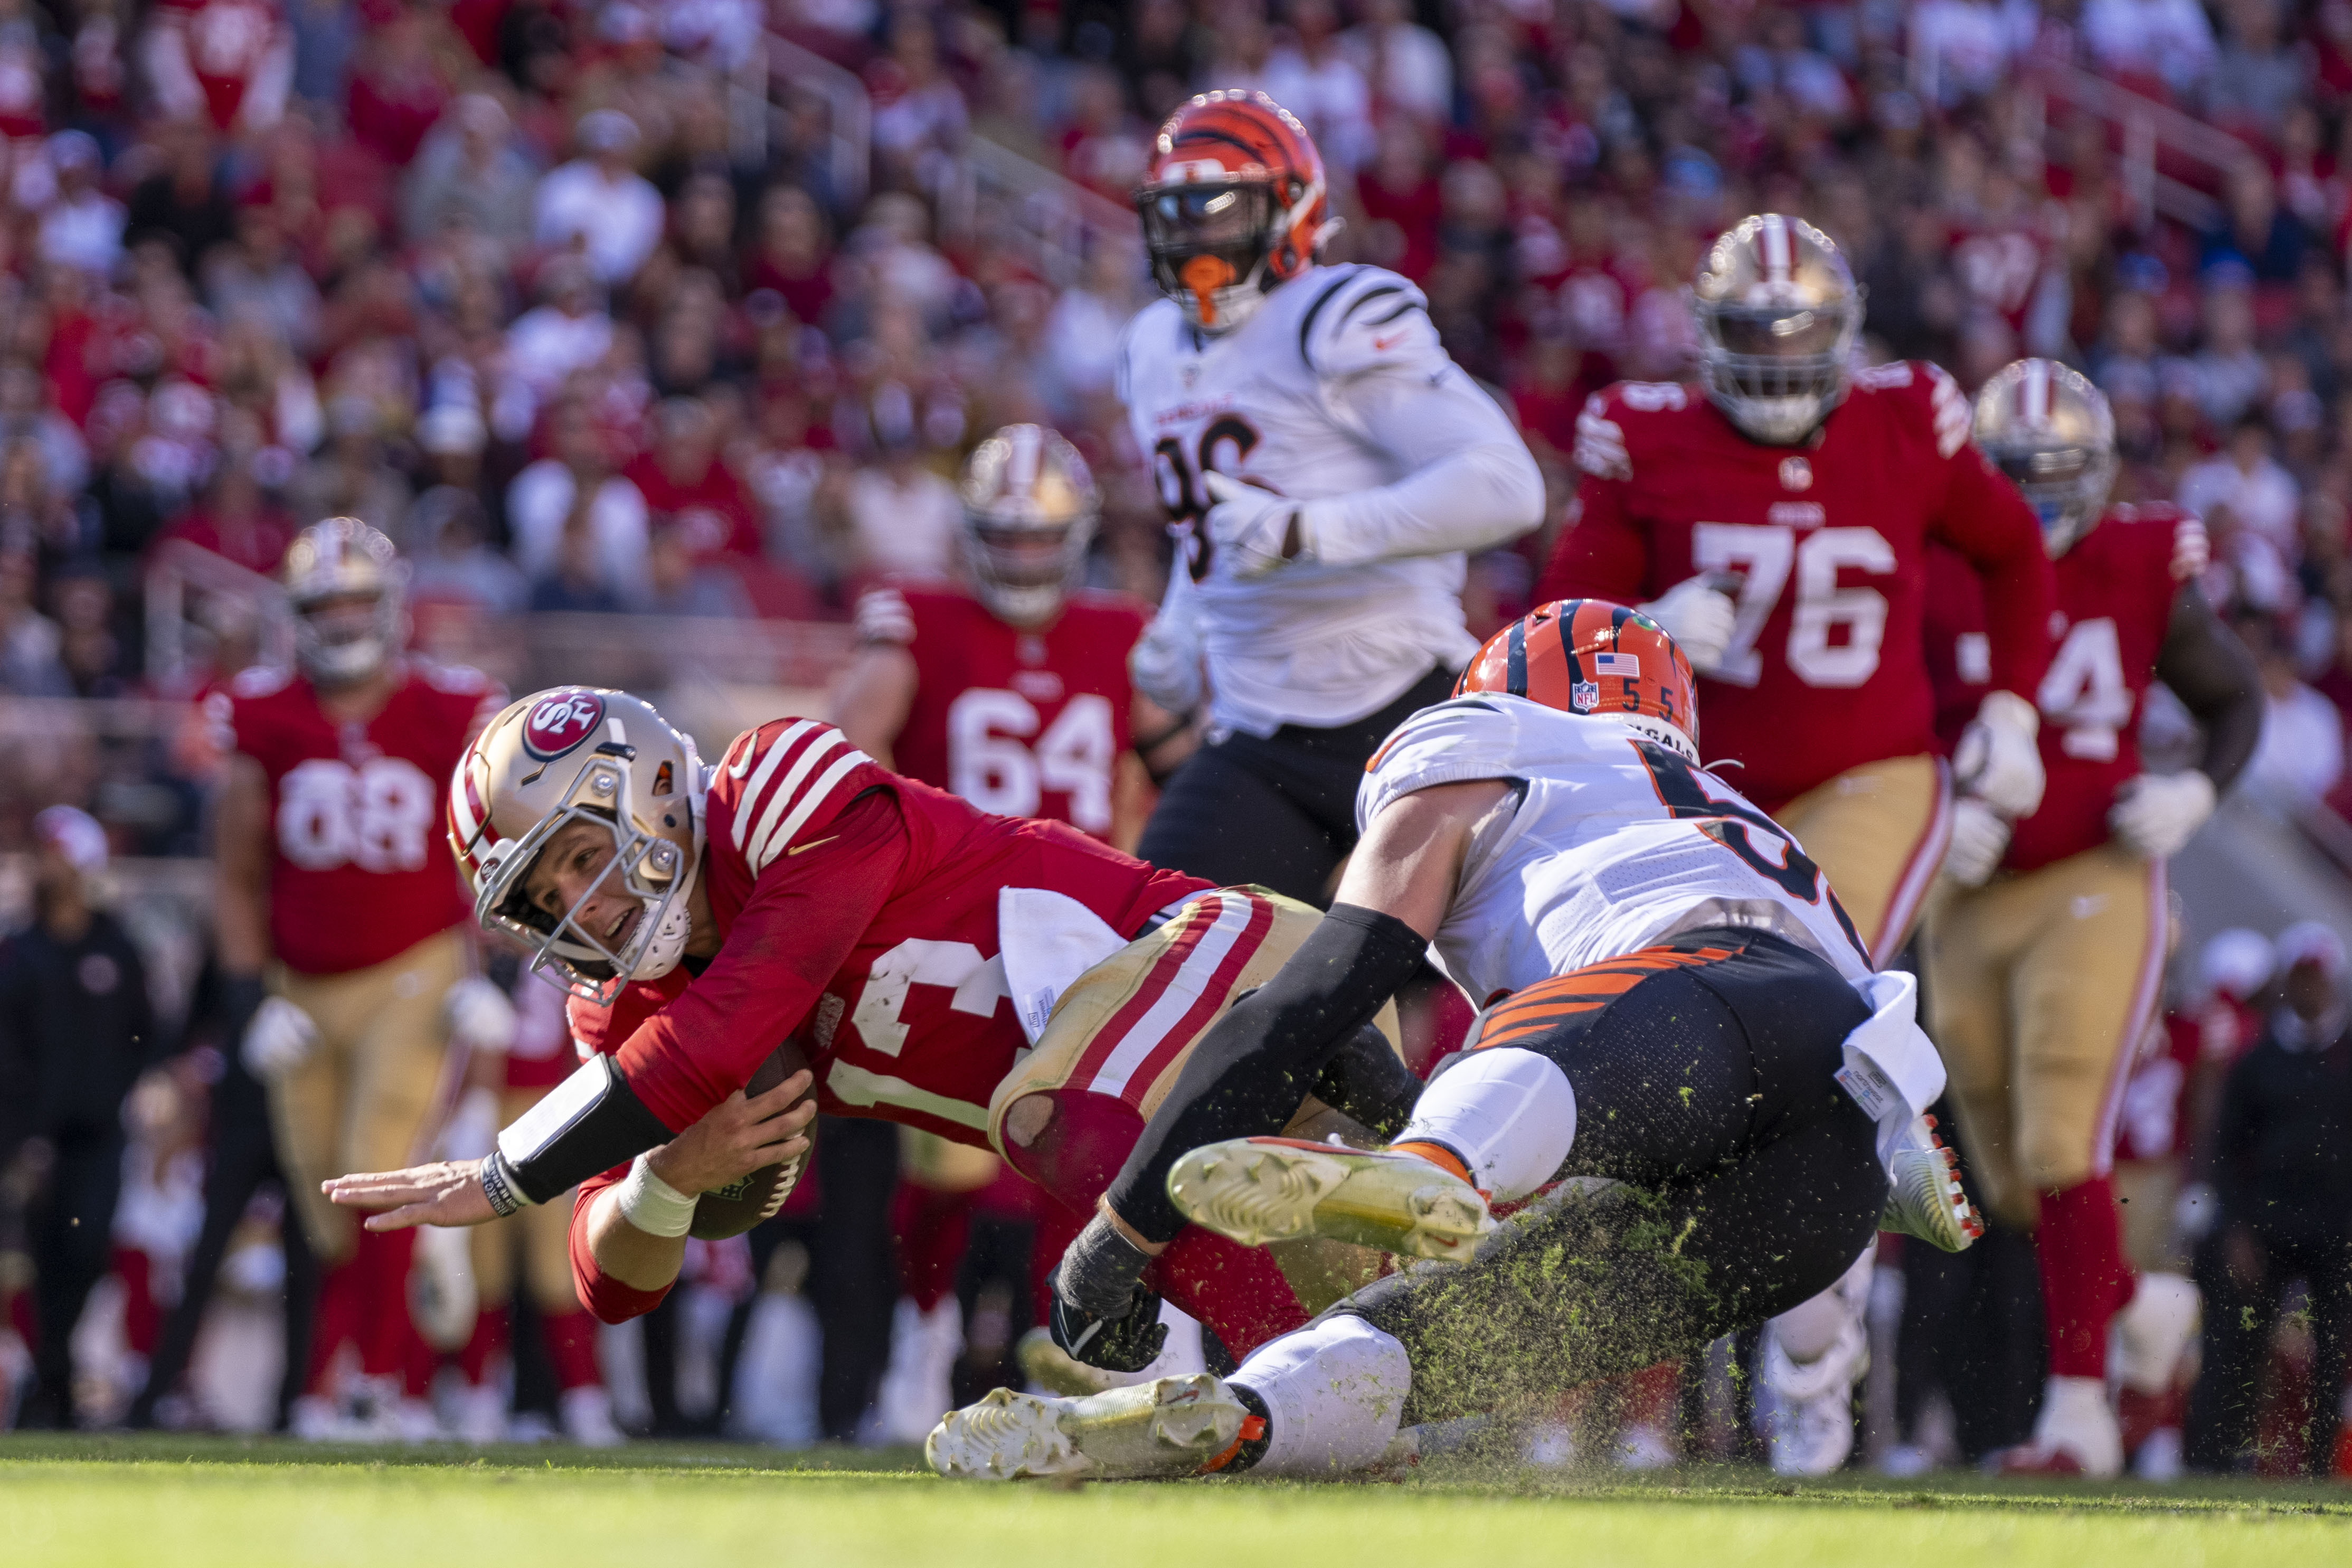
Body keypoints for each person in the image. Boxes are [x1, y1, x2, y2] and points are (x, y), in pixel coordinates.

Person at [927, 601, 1976, 1481]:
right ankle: (1242, 1419)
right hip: (1827, 1159)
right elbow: (1850, 1036)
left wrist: (1120, 1234)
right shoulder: (1747, 820)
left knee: (1513, 1060)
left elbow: (1315, 1001)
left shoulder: (1491, 744)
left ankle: (1424, 1169)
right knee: (1448, 1329)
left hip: (1679, 1006)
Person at [321, 688, 1423, 1372]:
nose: (579, 908)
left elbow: (733, 1019)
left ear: (651, 791)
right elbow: (613, 1284)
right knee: (1378, 1323)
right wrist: (665, 1182)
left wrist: (507, 1174)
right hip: (1135, 1124)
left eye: (579, 855)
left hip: (1220, 954)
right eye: (542, 900)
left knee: (1054, 1127)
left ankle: (1315, 1094)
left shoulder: (772, 787)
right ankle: (1338, 1383)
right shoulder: (626, 1012)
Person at [1534, 212, 2059, 1471]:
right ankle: (1644, 1375)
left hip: (1867, 773)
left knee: (1821, 1029)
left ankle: (1815, 1351)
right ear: (1707, 343)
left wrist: (2010, 707)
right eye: (1751, 347)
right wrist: (1641, 621)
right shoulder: (1644, 437)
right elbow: (1555, 630)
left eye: (1797, 346)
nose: (1775, 377)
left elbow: (2014, 548)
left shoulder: (1907, 419)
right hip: (1694, 789)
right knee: (1663, 1043)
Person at [1922, 360, 2266, 1477]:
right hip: (1967, 886)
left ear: (2097, 473)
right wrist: (1936, 803)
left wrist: (2195, 790)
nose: (2029, 500)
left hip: (2096, 872)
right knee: (2009, 1174)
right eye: (2009, 476)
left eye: (2052, 475)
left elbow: (2230, 695)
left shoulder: (2136, 561)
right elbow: (1873, 712)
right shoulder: (1931, 563)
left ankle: (2078, 1420)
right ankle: (2136, 1304)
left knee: (2062, 1129)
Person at [830, 426, 1192, 1437]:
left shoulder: (1120, 634)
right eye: (1008, 539)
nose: (1027, 561)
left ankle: (1062, 1360)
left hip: (1080, 932)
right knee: (949, 1159)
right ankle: (921, 1340)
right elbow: (846, 746)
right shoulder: (918, 622)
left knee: (1076, 1158)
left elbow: (1195, 772)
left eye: (1044, 542)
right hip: (957, 921)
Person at [1117, 90, 1543, 904]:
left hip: (1404, 703)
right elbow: (1208, 529)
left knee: (1439, 978)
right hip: (1254, 730)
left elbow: (1504, 487)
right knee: (1154, 940)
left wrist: (1310, 532)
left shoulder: (1333, 315)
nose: (1199, 239)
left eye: (1219, 212)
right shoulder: (1149, 348)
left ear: (1291, 211)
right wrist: (1180, 624)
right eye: (1177, 217)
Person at [206, 517, 513, 1440]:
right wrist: (248, 996)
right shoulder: (263, 715)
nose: (342, 620)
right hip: (303, 984)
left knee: (379, 1166)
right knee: (325, 1201)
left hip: (415, 971)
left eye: (355, 601)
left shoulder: (448, 706)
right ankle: (349, 1374)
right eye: (324, 604)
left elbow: (500, 844)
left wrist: (487, 959)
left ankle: (376, 1385)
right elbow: (235, 873)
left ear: (390, 608)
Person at [0, 806, 159, 1429]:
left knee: (87, 1248)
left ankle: (57, 1376)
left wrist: (136, 1090)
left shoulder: (116, 949)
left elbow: (148, 1033)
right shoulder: (17, 951)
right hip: (30, 1140)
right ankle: (45, 1383)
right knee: (36, 1260)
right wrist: (20, 1136)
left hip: (100, 1135)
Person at [2186, 922, 2352, 1476]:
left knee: (2333, 1351)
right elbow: (2227, 1149)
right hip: (2267, 1223)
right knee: (2236, 1342)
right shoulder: (2256, 1060)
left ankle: (2320, 1464)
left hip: (2338, 1226)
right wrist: (2234, 1228)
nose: (2311, 990)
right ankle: (2215, 1459)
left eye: (2319, 979)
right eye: (2302, 979)